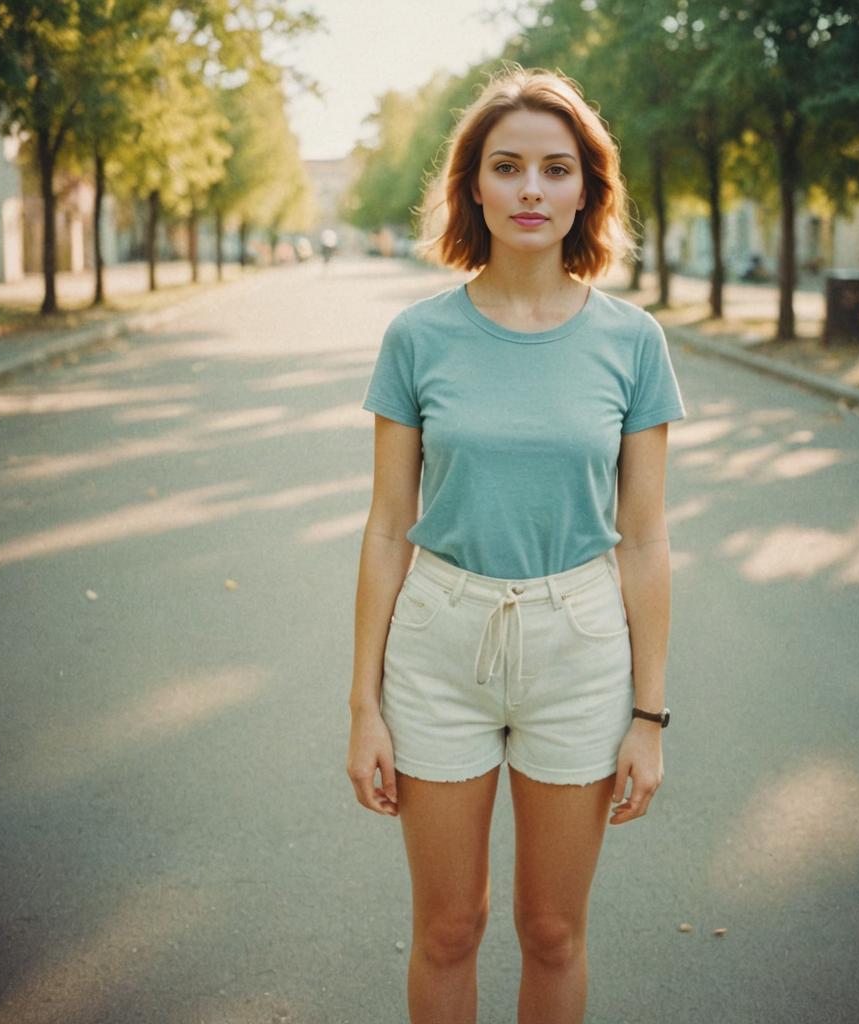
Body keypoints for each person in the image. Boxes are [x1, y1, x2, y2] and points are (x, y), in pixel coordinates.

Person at [347, 63, 686, 1024]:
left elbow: (648, 539)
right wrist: (363, 707)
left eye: (556, 168)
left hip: (579, 649)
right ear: (473, 186)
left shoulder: (633, 342)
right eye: (507, 167)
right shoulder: (417, 339)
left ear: (588, 188)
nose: (531, 189)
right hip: (439, 645)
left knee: (553, 933)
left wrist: (649, 718)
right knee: (448, 930)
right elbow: (384, 528)